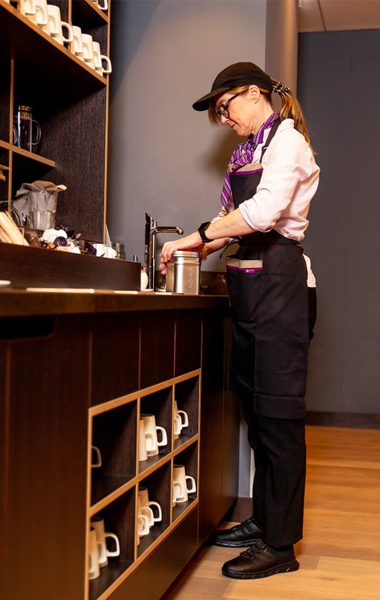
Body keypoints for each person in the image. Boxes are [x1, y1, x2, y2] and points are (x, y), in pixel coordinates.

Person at [160, 62, 320, 580]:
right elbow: (231, 228)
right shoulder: (246, 152)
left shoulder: (287, 143)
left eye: (226, 107)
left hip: (280, 289)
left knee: (278, 418)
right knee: (255, 410)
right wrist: (196, 245)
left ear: (254, 94)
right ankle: (264, 520)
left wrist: (196, 233)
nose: (224, 119)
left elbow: (263, 214)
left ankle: (280, 545)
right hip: (251, 290)